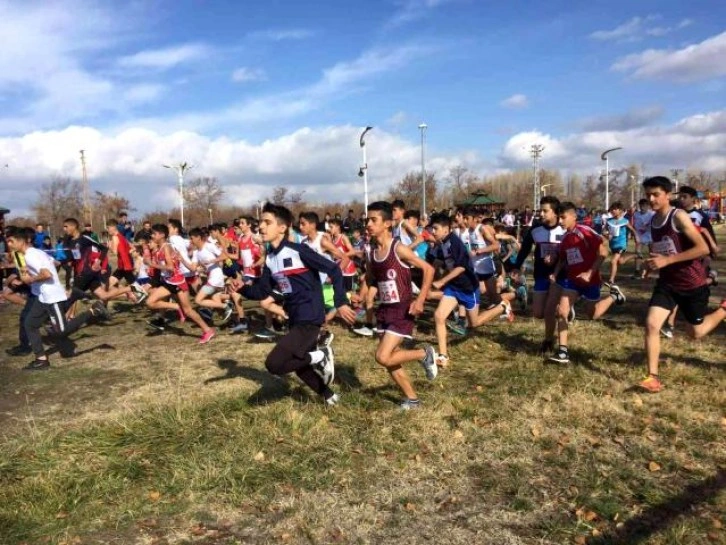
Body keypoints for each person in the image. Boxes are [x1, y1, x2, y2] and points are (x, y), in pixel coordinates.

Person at [238, 203, 357, 406]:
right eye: (260, 223)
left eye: (267, 222)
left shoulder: (298, 251)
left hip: (310, 315)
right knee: (300, 364)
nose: (261, 227)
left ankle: (321, 355)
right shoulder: (270, 259)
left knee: (274, 364)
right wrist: (240, 288)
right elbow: (261, 292)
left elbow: (334, 270)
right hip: (294, 317)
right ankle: (330, 397)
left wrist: (341, 302)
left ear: (283, 228)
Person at [639, 176, 726, 393]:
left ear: (668, 195)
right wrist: (651, 264)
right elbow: (661, 249)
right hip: (668, 283)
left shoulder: (678, 217)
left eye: (656, 194)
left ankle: (723, 309)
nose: (651, 198)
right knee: (651, 324)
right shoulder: (653, 220)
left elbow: (703, 248)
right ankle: (652, 377)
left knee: (695, 333)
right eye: (648, 194)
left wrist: (667, 261)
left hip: (692, 284)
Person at [364, 201, 438, 409]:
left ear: (387, 223)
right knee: (390, 359)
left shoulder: (398, 248)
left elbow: (429, 270)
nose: (368, 224)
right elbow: (372, 279)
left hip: (403, 308)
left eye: (373, 220)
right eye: (367, 220)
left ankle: (424, 354)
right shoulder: (371, 252)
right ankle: (412, 399)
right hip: (384, 308)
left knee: (382, 356)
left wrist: (420, 299)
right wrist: (363, 297)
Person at [4, 225, 108, 370]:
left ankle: (93, 311)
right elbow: (54, 262)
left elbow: (47, 274)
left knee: (61, 331)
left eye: (11, 241)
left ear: (21, 241)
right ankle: (41, 360)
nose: (9, 244)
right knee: (30, 324)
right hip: (42, 297)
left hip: (52, 296)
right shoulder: (35, 253)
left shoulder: (30, 255)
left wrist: (30, 279)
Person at [428, 213, 513, 368]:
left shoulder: (455, 243)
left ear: (446, 229)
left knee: (474, 323)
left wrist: (441, 281)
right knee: (439, 316)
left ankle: (502, 305)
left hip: (468, 287)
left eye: (435, 228)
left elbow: (461, 267)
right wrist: (429, 276)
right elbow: (438, 261)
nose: (433, 231)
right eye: (432, 228)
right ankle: (443, 355)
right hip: (454, 287)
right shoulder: (443, 243)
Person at [548, 202, 625, 364]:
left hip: (591, 280)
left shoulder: (585, 232)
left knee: (593, 314)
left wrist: (590, 273)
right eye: (558, 218)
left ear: (574, 216)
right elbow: (563, 259)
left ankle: (613, 296)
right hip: (572, 281)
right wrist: (555, 274)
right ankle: (563, 351)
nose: (560, 221)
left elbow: (603, 252)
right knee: (562, 311)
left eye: (563, 217)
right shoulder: (565, 238)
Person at [512, 196, 566, 355]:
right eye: (540, 210)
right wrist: (516, 266)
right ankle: (559, 308)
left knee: (549, 311)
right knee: (538, 313)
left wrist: (557, 258)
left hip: (560, 276)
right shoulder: (535, 230)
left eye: (545, 210)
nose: (540, 213)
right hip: (541, 275)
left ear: (555, 212)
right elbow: (525, 249)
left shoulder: (564, 230)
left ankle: (548, 341)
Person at [603, 202, 639, 286]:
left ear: (621, 210)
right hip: (612, 245)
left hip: (621, 244)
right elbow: (604, 231)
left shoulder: (625, 221)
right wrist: (606, 234)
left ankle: (611, 280)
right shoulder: (609, 221)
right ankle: (635, 255)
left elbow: (633, 230)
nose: (613, 211)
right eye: (612, 209)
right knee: (620, 261)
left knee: (613, 261)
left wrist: (636, 237)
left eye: (615, 209)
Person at [632, 199, 655, 279]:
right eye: (641, 205)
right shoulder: (636, 214)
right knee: (638, 252)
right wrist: (634, 233)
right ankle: (637, 270)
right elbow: (633, 225)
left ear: (648, 206)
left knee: (652, 253)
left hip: (650, 235)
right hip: (639, 236)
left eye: (645, 205)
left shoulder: (652, 214)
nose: (643, 207)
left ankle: (649, 271)